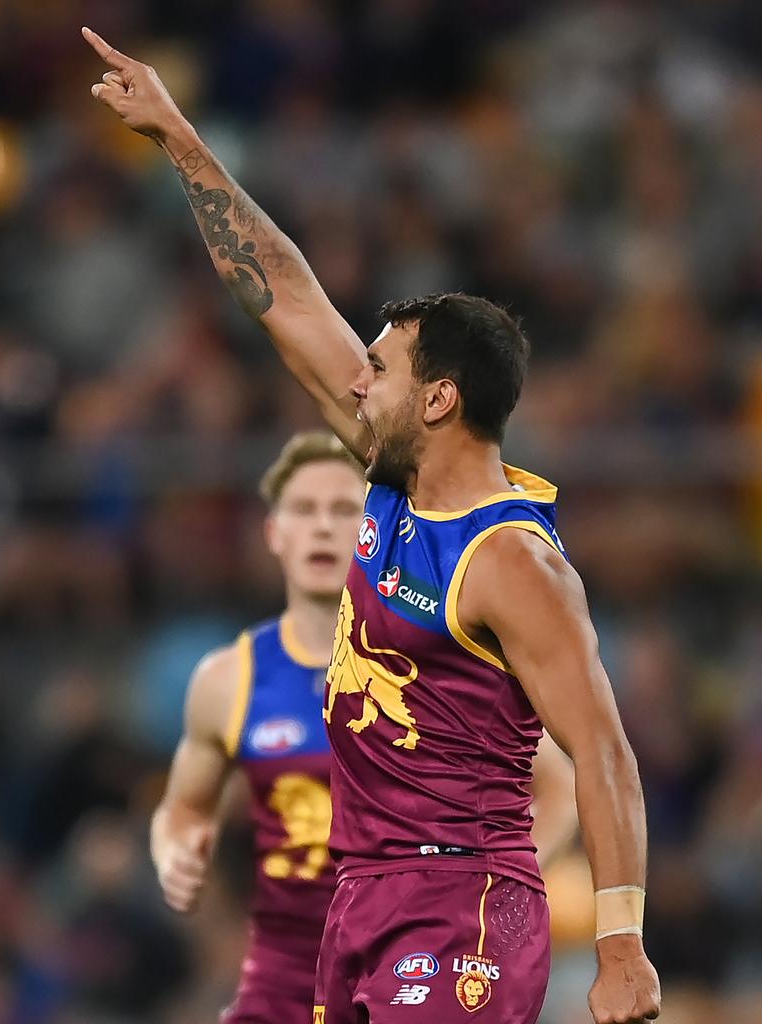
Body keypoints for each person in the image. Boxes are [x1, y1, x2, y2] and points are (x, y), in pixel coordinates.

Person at [84, 27, 661, 1024]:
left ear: (438, 400)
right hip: (361, 897)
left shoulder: (509, 558)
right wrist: (178, 136)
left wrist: (620, 948)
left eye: (381, 370)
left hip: (465, 901)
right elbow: (284, 296)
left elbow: (602, 749)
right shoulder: (390, 488)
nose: (358, 379)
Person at [150, 430, 576, 1024]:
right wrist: (177, 851)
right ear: (274, 533)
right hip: (285, 969)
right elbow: (185, 810)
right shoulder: (229, 680)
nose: (323, 527)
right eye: (303, 509)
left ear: (376, 531)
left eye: (343, 510)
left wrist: (503, 888)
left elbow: (559, 785)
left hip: (418, 942)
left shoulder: (433, 658)